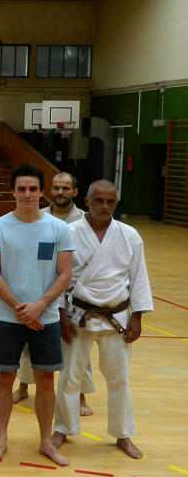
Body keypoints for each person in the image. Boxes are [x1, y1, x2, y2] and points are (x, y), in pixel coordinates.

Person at [52, 180, 153, 459]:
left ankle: (123, 434)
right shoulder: (68, 232)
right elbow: (57, 276)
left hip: (116, 316)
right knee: (69, 377)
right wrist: (60, 314)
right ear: (87, 201)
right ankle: (62, 428)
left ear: (116, 204)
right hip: (78, 315)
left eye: (110, 202)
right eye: (98, 200)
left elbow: (139, 277)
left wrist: (138, 316)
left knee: (119, 378)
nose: (104, 206)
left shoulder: (129, 235)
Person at [0, 164, 73, 466]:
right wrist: (20, 309)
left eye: (33, 189)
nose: (27, 194)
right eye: (21, 189)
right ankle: (1, 437)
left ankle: (46, 441)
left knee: (45, 379)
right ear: (13, 191)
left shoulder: (58, 229)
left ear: (41, 192)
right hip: (7, 317)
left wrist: (39, 306)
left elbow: (64, 274)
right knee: (5, 376)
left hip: (45, 318)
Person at [14, 172, 94, 412]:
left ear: (75, 192)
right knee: (29, 341)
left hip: (75, 292)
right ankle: (23, 386)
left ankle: (80, 395)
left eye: (65, 188)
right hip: (40, 288)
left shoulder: (85, 220)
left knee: (77, 344)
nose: (60, 192)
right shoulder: (38, 216)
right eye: (56, 188)